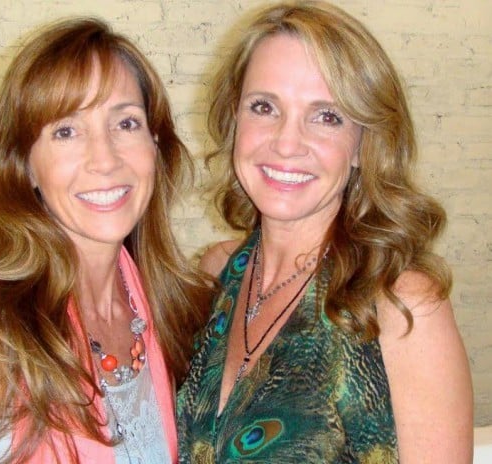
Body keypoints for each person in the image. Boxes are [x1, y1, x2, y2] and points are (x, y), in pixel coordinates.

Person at [0, 18, 210, 463]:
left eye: (127, 123)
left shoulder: (173, 310)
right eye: (66, 131)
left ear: (156, 145)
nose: (105, 159)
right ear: (27, 167)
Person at [177, 1, 473, 462]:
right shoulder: (215, 274)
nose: (286, 143)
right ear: (235, 119)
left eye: (327, 116)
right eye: (264, 107)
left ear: (362, 145)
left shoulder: (403, 307)